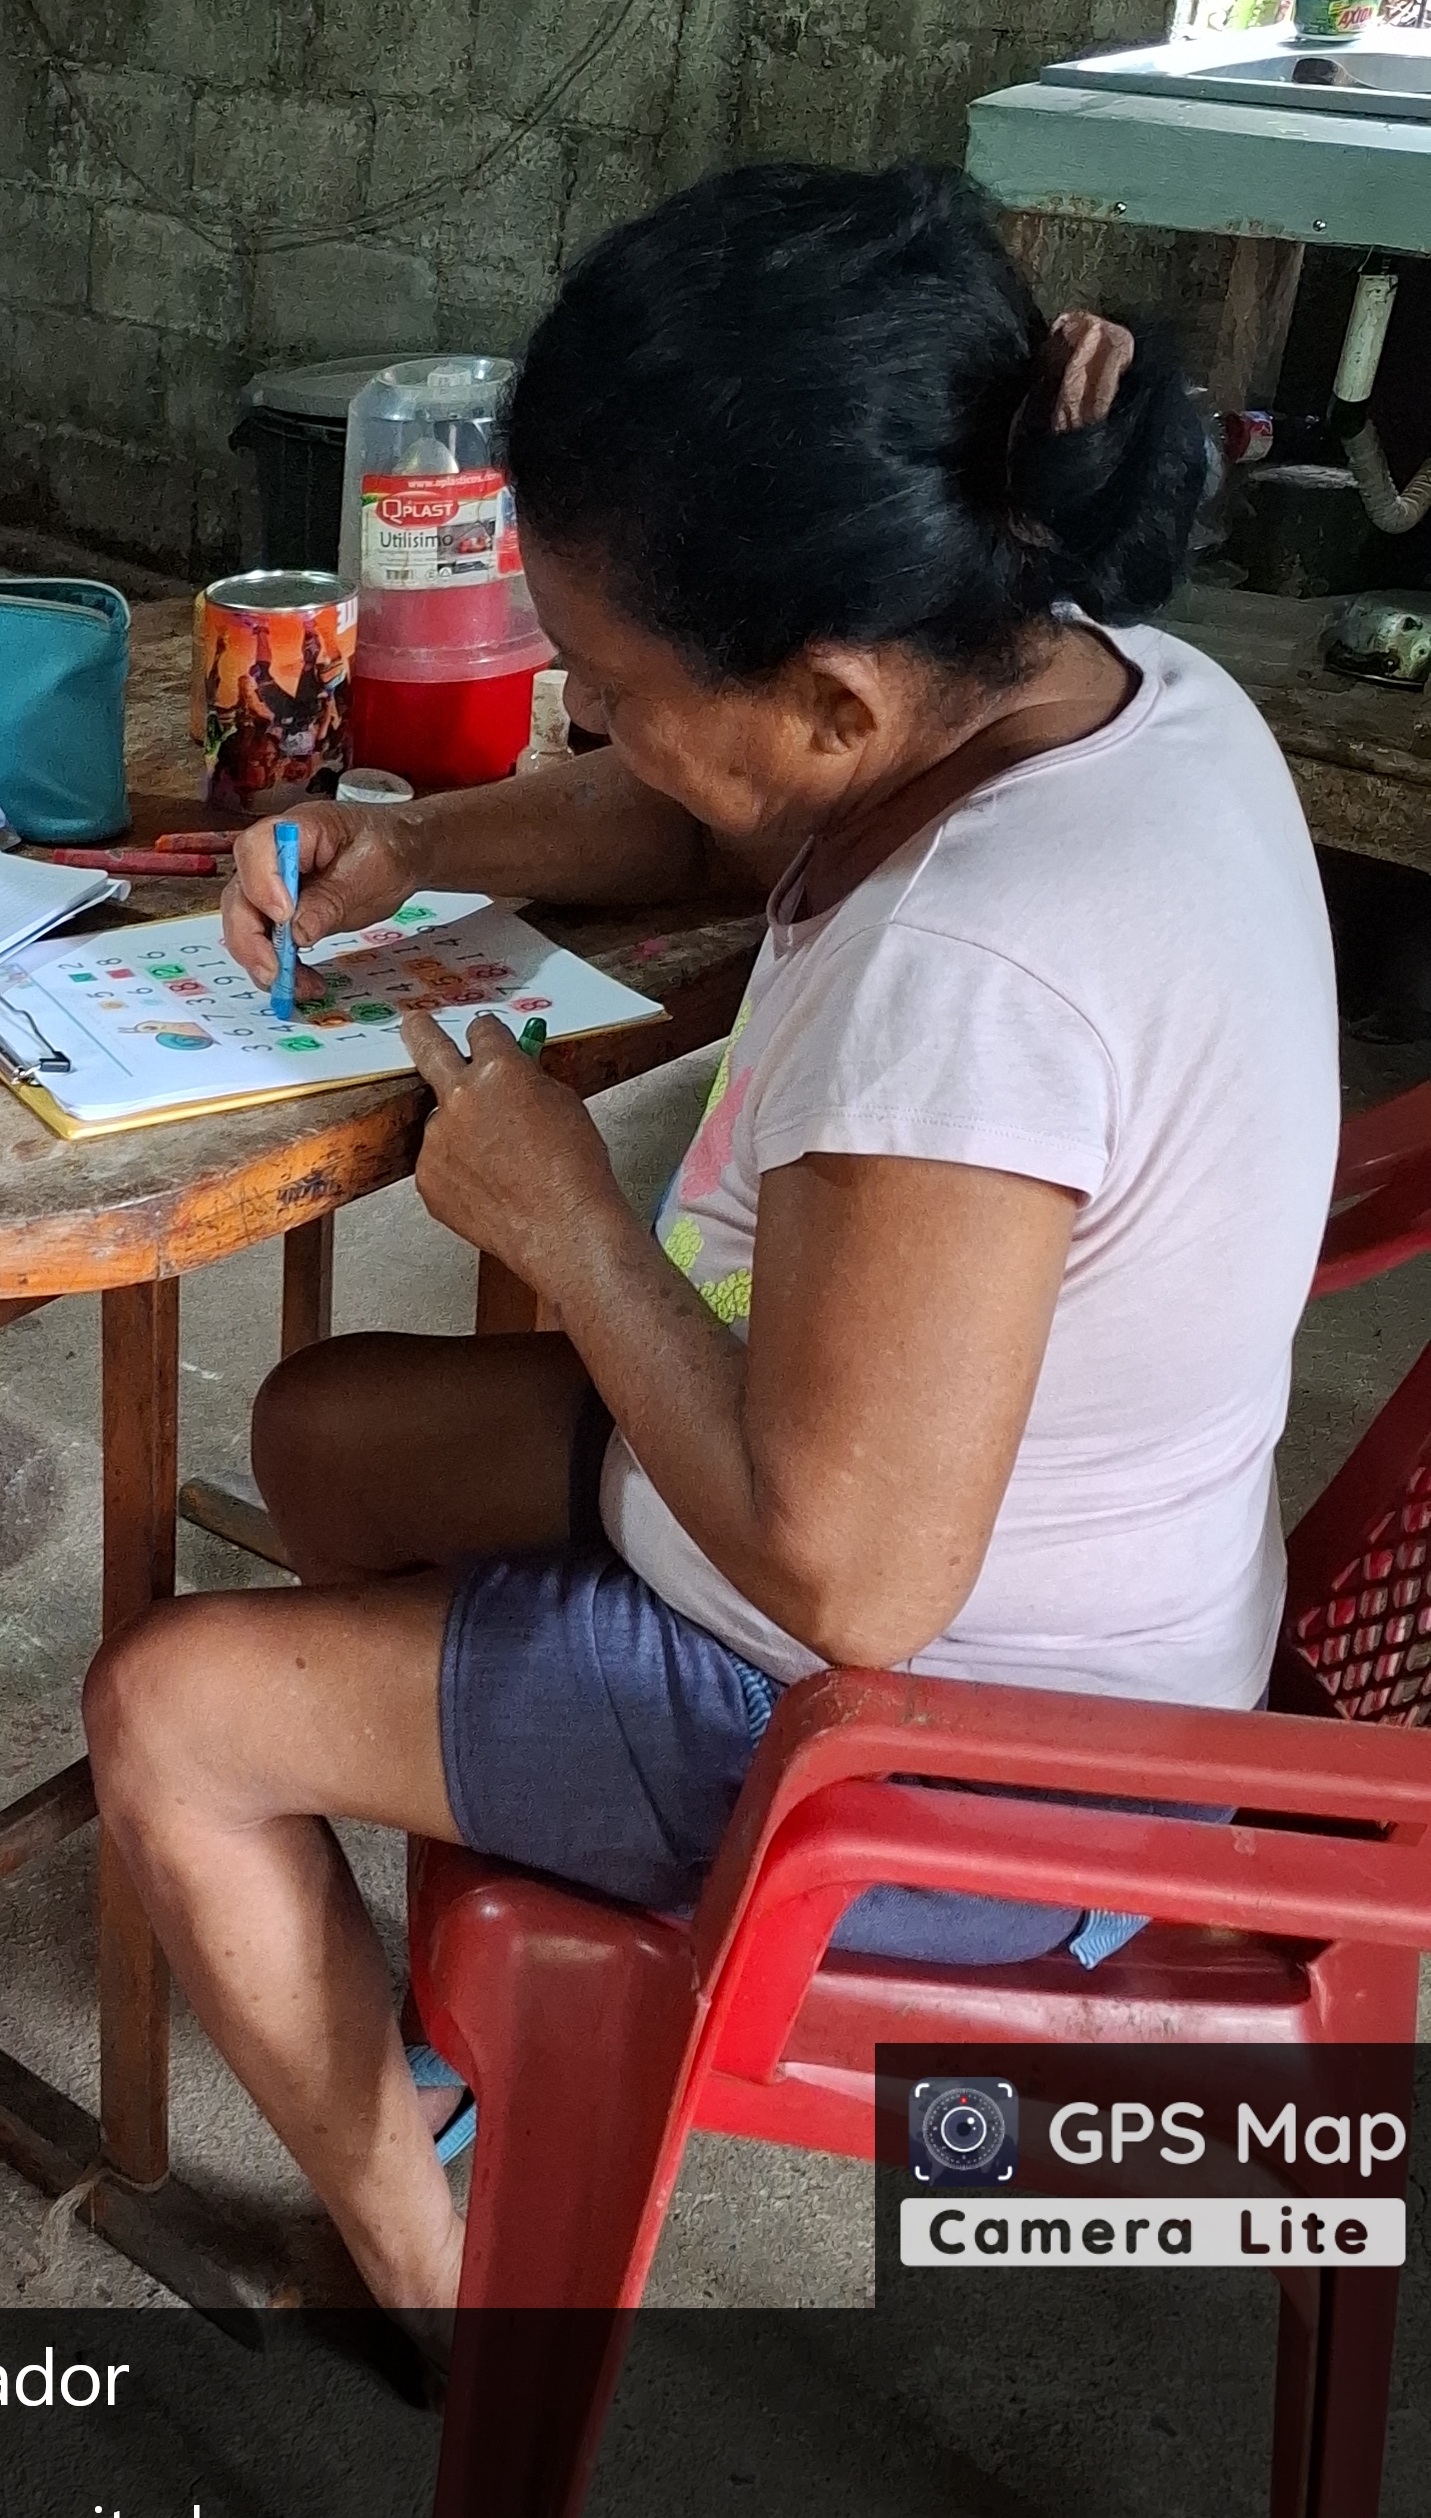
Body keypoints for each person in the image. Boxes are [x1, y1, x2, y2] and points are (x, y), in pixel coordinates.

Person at [84, 162, 1334, 2316]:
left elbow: (856, 1581)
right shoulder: (1066, 680)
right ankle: (482, 1874)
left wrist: (570, 1226)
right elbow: (709, 805)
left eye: (603, 677)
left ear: (831, 698)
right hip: (998, 1585)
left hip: (938, 1761)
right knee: (325, 1434)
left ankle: (436, 2269)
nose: (585, 721)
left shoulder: (980, 970)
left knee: (166, 1714)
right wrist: (422, 839)